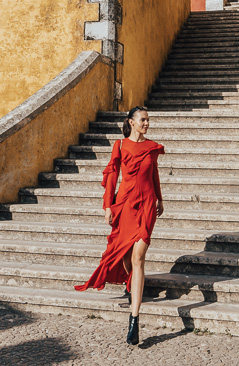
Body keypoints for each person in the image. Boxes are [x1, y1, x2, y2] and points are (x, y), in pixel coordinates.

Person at [74, 106, 164, 346]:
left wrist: (160, 198)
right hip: (124, 205)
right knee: (127, 256)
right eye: (143, 120)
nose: (146, 123)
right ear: (131, 122)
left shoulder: (152, 148)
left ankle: (134, 320)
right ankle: (130, 284)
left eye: (148, 120)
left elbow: (154, 174)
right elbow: (112, 176)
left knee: (139, 258)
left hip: (146, 205)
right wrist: (107, 206)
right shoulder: (120, 146)